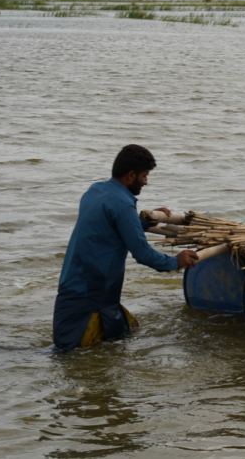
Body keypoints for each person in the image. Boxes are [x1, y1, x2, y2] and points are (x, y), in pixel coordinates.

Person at [53, 144, 198, 352]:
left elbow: (112, 229)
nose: (146, 182)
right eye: (144, 176)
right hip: (92, 296)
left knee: (128, 332)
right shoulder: (123, 205)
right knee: (72, 355)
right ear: (131, 175)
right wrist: (176, 261)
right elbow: (143, 254)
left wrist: (146, 222)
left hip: (75, 287)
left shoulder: (94, 191)